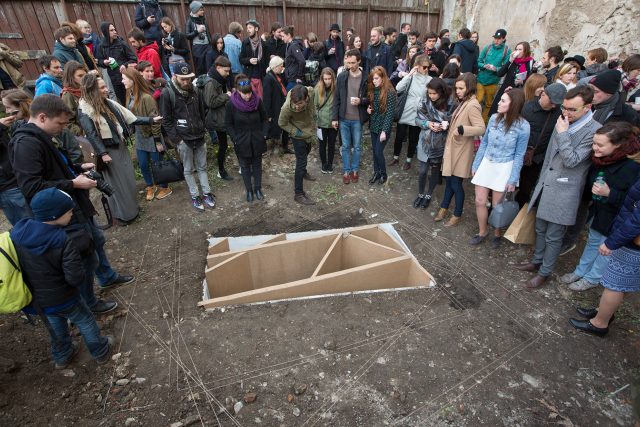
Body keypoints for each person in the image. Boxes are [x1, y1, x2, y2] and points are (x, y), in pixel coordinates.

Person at [10, 94, 126, 312]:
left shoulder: (42, 135)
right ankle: (88, 303)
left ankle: (107, 276)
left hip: (74, 205)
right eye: (60, 123)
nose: (63, 128)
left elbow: (52, 169)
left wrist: (75, 169)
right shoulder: (26, 144)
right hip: (60, 213)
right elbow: (32, 187)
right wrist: (73, 183)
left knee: (96, 239)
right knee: (84, 256)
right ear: (43, 117)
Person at [10, 188, 114, 368]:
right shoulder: (62, 240)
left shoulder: (18, 234)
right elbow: (75, 278)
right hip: (65, 297)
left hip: (39, 299)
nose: (72, 214)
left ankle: (62, 355)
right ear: (54, 216)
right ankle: (100, 351)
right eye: (69, 212)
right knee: (85, 320)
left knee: (56, 325)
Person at [515, 86, 602, 289]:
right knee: (540, 227)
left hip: (565, 191)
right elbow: (549, 157)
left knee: (554, 236)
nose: (566, 112)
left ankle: (545, 272)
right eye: (564, 107)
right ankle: (536, 261)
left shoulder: (594, 130)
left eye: (572, 109)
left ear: (588, 107)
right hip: (546, 183)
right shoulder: (563, 120)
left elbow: (572, 160)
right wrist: (540, 182)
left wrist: (563, 134)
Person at [560, 122, 640, 291]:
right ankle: (581, 271)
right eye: (594, 143)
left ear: (617, 145)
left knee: (605, 250)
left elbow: (633, 201)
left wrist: (610, 194)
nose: (594, 148)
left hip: (616, 218)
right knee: (593, 241)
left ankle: (592, 278)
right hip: (600, 211)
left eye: (600, 145)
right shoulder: (602, 159)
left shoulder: (632, 167)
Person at [77, 73, 160, 224]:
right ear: (93, 90)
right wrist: (102, 153)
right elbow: (91, 134)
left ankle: (132, 208)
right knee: (118, 185)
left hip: (119, 147)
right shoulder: (85, 109)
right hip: (109, 153)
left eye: (104, 86)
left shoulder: (108, 103)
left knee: (128, 180)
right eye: (102, 87)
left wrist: (150, 120)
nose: (106, 89)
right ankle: (124, 215)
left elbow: (130, 118)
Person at [569, 174, 640, 337]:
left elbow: (637, 220)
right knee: (623, 283)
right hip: (630, 241)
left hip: (631, 244)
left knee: (615, 284)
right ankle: (604, 312)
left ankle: (599, 324)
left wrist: (612, 242)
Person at [470, 89, 530, 247]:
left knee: (498, 206)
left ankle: (497, 233)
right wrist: (476, 164)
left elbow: (519, 154)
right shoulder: (493, 118)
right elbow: (484, 143)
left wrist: (513, 178)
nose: (498, 102)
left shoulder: (523, 126)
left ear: (513, 104)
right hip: (487, 163)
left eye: (503, 101)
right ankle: (482, 231)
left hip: (505, 166)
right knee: (479, 201)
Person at [159, 62, 215, 211]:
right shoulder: (167, 93)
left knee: (202, 167)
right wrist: (177, 140)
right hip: (184, 140)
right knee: (188, 169)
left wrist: (203, 128)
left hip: (199, 136)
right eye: (183, 79)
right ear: (175, 76)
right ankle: (195, 196)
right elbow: (166, 120)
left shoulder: (196, 91)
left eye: (189, 79)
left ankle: (207, 193)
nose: (186, 82)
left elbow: (202, 112)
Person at [435, 73, 486, 227]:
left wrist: (463, 129)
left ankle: (457, 214)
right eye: (456, 88)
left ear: (469, 87)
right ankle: (444, 207)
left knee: (456, 184)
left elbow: (481, 128)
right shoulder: (465, 102)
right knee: (450, 181)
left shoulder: (473, 105)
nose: (457, 91)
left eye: (461, 88)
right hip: (454, 149)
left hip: (461, 151)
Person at [122, 68, 172, 201]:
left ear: (132, 80)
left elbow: (155, 121)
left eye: (124, 78)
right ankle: (151, 185)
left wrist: (157, 141)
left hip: (151, 136)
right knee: (143, 164)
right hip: (140, 136)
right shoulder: (129, 95)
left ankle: (164, 186)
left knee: (158, 164)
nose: (122, 81)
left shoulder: (147, 97)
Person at [516, 83, 566, 207]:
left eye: (557, 103)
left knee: (526, 188)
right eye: (552, 101)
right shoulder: (526, 107)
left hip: (537, 159)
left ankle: (518, 214)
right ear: (543, 94)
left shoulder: (558, 113)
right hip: (517, 154)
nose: (554, 105)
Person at [225, 74, 268, 202]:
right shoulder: (231, 104)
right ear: (238, 91)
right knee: (244, 167)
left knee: (257, 165)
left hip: (256, 139)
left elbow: (264, 119)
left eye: (249, 93)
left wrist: (264, 134)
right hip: (241, 140)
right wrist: (235, 138)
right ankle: (249, 190)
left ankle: (258, 188)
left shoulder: (258, 101)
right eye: (245, 94)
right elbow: (228, 124)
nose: (248, 96)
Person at [414, 78, 454, 209]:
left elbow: (454, 122)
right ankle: (420, 193)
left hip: (440, 143)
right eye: (429, 93)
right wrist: (428, 124)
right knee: (422, 171)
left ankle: (428, 195)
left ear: (441, 92)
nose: (431, 96)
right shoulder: (424, 101)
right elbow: (417, 120)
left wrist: (445, 125)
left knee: (434, 171)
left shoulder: (450, 103)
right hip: (425, 141)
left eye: (434, 93)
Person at [332, 49, 369, 185]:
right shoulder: (342, 76)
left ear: (359, 61)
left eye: (353, 63)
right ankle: (346, 171)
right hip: (343, 118)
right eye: (348, 63)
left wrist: (361, 101)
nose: (350, 65)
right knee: (346, 146)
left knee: (358, 146)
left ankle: (355, 170)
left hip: (358, 119)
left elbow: (370, 98)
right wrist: (334, 118)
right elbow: (336, 98)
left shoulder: (366, 77)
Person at [390, 54, 433, 170]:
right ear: (417, 66)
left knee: (413, 137)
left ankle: (408, 160)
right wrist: (409, 75)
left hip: (419, 111)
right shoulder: (411, 77)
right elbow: (398, 88)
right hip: (406, 109)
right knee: (399, 136)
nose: (426, 69)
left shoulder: (430, 80)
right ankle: (395, 157)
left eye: (428, 67)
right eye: (424, 67)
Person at [279, 84, 318, 205]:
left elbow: (313, 92)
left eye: (300, 103)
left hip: (309, 131)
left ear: (306, 98)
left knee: (307, 151)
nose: (296, 106)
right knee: (301, 162)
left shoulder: (310, 92)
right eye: (295, 103)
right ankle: (298, 194)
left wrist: (313, 113)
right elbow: (282, 123)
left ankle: (304, 172)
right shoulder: (287, 108)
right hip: (297, 134)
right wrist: (296, 132)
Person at [0, 90, 32, 225]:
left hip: (15, 180)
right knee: (28, 226)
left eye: (8, 107)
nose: (7, 112)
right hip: (7, 186)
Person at [203, 56, 233, 181]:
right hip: (217, 119)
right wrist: (226, 96)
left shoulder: (220, 79)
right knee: (223, 145)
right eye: (226, 71)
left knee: (227, 143)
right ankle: (221, 170)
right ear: (218, 67)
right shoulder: (211, 82)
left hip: (223, 115)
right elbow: (211, 102)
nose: (228, 73)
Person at [366, 66, 396, 185]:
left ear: (383, 78)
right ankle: (376, 172)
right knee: (374, 151)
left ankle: (383, 173)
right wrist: (369, 109)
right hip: (374, 124)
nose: (374, 81)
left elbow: (389, 114)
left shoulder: (390, 92)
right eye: (373, 79)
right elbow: (374, 107)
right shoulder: (373, 90)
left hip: (384, 126)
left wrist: (384, 131)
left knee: (378, 151)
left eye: (377, 78)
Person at [488, 41, 535, 117]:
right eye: (516, 49)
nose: (517, 51)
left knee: (510, 116)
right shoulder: (513, 61)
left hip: (518, 94)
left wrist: (522, 82)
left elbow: (532, 81)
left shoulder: (530, 63)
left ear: (525, 51)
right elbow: (499, 73)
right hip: (505, 91)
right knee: (497, 114)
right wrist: (509, 61)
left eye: (520, 50)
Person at [95, 22, 138, 104]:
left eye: (114, 29)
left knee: (132, 100)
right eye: (111, 30)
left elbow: (133, 58)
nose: (115, 32)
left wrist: (125, 65)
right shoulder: (101, 46)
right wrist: (104, 62)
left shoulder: (121, 43)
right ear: (105, 32)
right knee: (123, 101)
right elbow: (98, 61)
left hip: (127, 77)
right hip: (114, 79)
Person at [477, 29, 511, 122]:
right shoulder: (488, 47)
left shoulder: (507, 51)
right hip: (481, 79)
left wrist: (496, 68)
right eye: (495, 38)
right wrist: (484, 65)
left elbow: (506, 66)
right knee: (477, 101)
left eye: (499, 38)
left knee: (489, 104)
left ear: (504, 39)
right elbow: (478, 61)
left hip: (493, 81)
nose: (496, 40)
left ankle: (484, 122)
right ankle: (474, 120)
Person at [263, 56, 293, 154]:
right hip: (275, 108)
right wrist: (269, 115)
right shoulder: (268, 78)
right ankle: (275, 147)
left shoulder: (276, 75)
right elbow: (267, 98)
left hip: (280, 106)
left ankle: (284, 146)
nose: (282, 68)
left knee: (285, 126)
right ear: (275, 67)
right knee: (275, 128)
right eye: (281, 66)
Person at [315, 67, 337, 173]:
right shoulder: (317, 88)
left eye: (329, 79)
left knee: (332, 144)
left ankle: (330, 164)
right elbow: (314, 106)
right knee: (322, 144)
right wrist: (315, 121)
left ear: (333, 78)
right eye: (325, 79)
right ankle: (324, 164)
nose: (327, 81)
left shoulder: (336, 89)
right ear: (322, 79)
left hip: (333, 122)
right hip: (321, 122)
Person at [240, 20, 267, 98]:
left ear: (256, 29)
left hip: (261, 77)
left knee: (260, 99)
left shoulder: (264, 44)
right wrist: (249, 60)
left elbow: (267, 62)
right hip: (248, 76)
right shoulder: (245, 43)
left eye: (250, 27)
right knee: (248, 97)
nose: (248, 30)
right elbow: (241, 59)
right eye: (247, 28)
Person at [185, 1, 213, 76]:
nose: (203, 11)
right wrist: (197, 31)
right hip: (198, 48)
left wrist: (211, 45)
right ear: (195, 10)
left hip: (207, 46)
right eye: (201, 10)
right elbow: (187, 36)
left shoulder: (203, 20)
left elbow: (208, 34)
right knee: (200, 68)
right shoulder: (189, 21)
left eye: (202, 9)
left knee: (209, 66)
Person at [60, 60, 87, 136]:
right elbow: (68, 122)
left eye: (85, 75)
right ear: (71, 77)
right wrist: (83, 133)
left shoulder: (87, 89)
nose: (84, 78)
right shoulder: (68, 95)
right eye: (80, 76)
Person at [283, 26, 306, 91]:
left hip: (294, 79)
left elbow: (302, 61)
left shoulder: (293, 46)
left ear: (288, 35)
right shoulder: (289, 45)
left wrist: (299, 76)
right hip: (291, 78)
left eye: (283, 36)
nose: (282, 39)